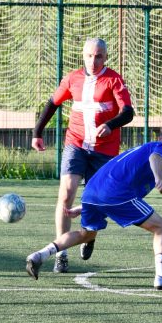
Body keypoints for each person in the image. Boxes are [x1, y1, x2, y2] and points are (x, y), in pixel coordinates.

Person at [26, 125, 162, 292]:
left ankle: (39, 255)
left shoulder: (140, 149)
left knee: (86, 234)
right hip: (117, 194)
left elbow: (111, 178)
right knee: (161, 227)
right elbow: (156, 157)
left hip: (92, 192)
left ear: (160, 136)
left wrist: (83, 206)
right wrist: (158, 178)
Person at [32, 38, 134, 274]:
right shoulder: (73, 79)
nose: (93, 61)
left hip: (104, 150)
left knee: (96, 201)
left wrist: (111, 125)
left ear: (105, 57)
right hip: (75, 143)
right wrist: (37, 132)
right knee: (66, 193)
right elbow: (52, 104)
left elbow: (128, 112)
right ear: (83, 56)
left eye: (99, 56)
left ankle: (89, 236)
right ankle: (61, 253)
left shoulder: (114, 80)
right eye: (89, 56)